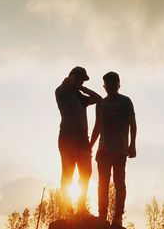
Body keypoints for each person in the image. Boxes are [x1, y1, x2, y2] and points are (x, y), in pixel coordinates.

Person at [90, 71, 137, 228]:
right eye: (107, 83)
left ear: (118, 84)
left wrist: (132, 144)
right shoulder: (100, 104)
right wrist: (90, 145)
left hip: (119, 151)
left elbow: (133, 124)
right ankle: (102, 215)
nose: (110, 86)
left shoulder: (125, 101)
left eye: (113, 83)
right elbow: (97, 126)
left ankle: (118, 217)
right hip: (103, 151)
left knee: (119, 183)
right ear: (104, 86)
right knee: (102, 184)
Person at [55, 66, 102, 216]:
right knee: (68, 173)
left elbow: (98, 98)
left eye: (83, 79)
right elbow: (65, 84)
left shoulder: (80, 96)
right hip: (67, 138)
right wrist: (72, 81)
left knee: (86, 172)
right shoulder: (62, 91)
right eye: (79, 78)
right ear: (72, 77)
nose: (81, 81)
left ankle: (81, 207)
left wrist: (84, 89)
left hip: (83, 139)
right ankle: (69, 209)